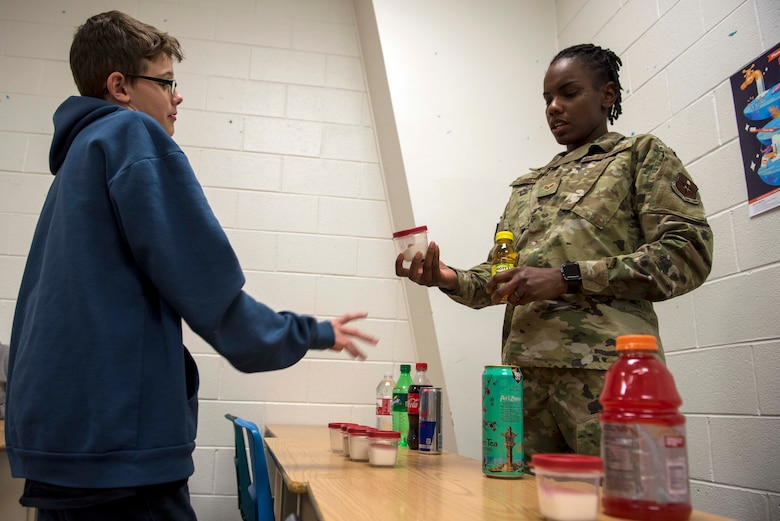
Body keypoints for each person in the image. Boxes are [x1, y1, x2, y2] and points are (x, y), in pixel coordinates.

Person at [5, 11, 377, 521]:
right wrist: (311, 332)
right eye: (166, 82)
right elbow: (211, 294)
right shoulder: (131, 136)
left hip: (60, 443)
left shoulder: (77, 160)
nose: (177, 97)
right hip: (116, 448)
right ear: (120, 86)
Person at [396, 43, 713, 462]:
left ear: (608, 95)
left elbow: (687, 254)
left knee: (615, 501)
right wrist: (447, 278)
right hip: (521, 385)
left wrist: (567, 277)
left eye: (568, 93)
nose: (554, 107)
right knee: (520, 504)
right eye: (547, 99)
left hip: (608, 379)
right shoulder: (527, 186)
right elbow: (501, 277)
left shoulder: (639, 157)